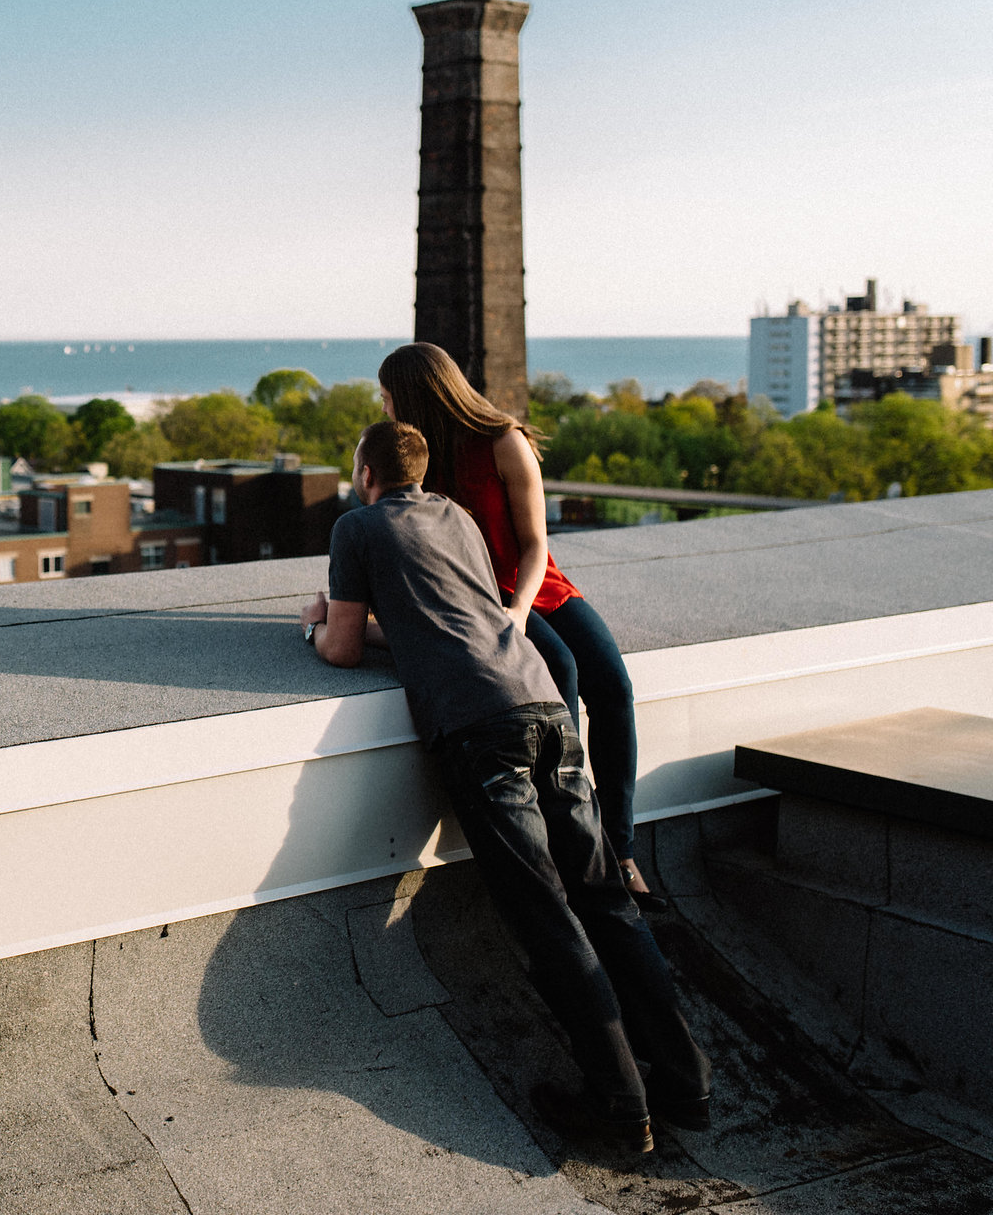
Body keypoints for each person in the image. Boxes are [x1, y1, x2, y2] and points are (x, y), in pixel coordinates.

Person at [303, 420, 710, 1151]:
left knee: (546, 914)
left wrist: (318, 625)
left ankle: (620, 1107)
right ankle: (686, 1080)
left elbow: (339, 646)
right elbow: (451, 617)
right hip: (545, 701)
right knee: (606, 901)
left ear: (364, 473)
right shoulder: (455, 516)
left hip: (478, 727)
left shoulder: (356, 527)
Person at [377, 343, 663, 911]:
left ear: (414, 394)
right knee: (561, 672)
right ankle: (580, 843)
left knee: (614, 685)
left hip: (536, 585)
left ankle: (621, 847)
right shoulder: (420, 458)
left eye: (387, 397)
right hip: (477, 597)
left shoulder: (505, 442)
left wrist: (519, 611)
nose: (384, 408)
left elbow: (535, 545)